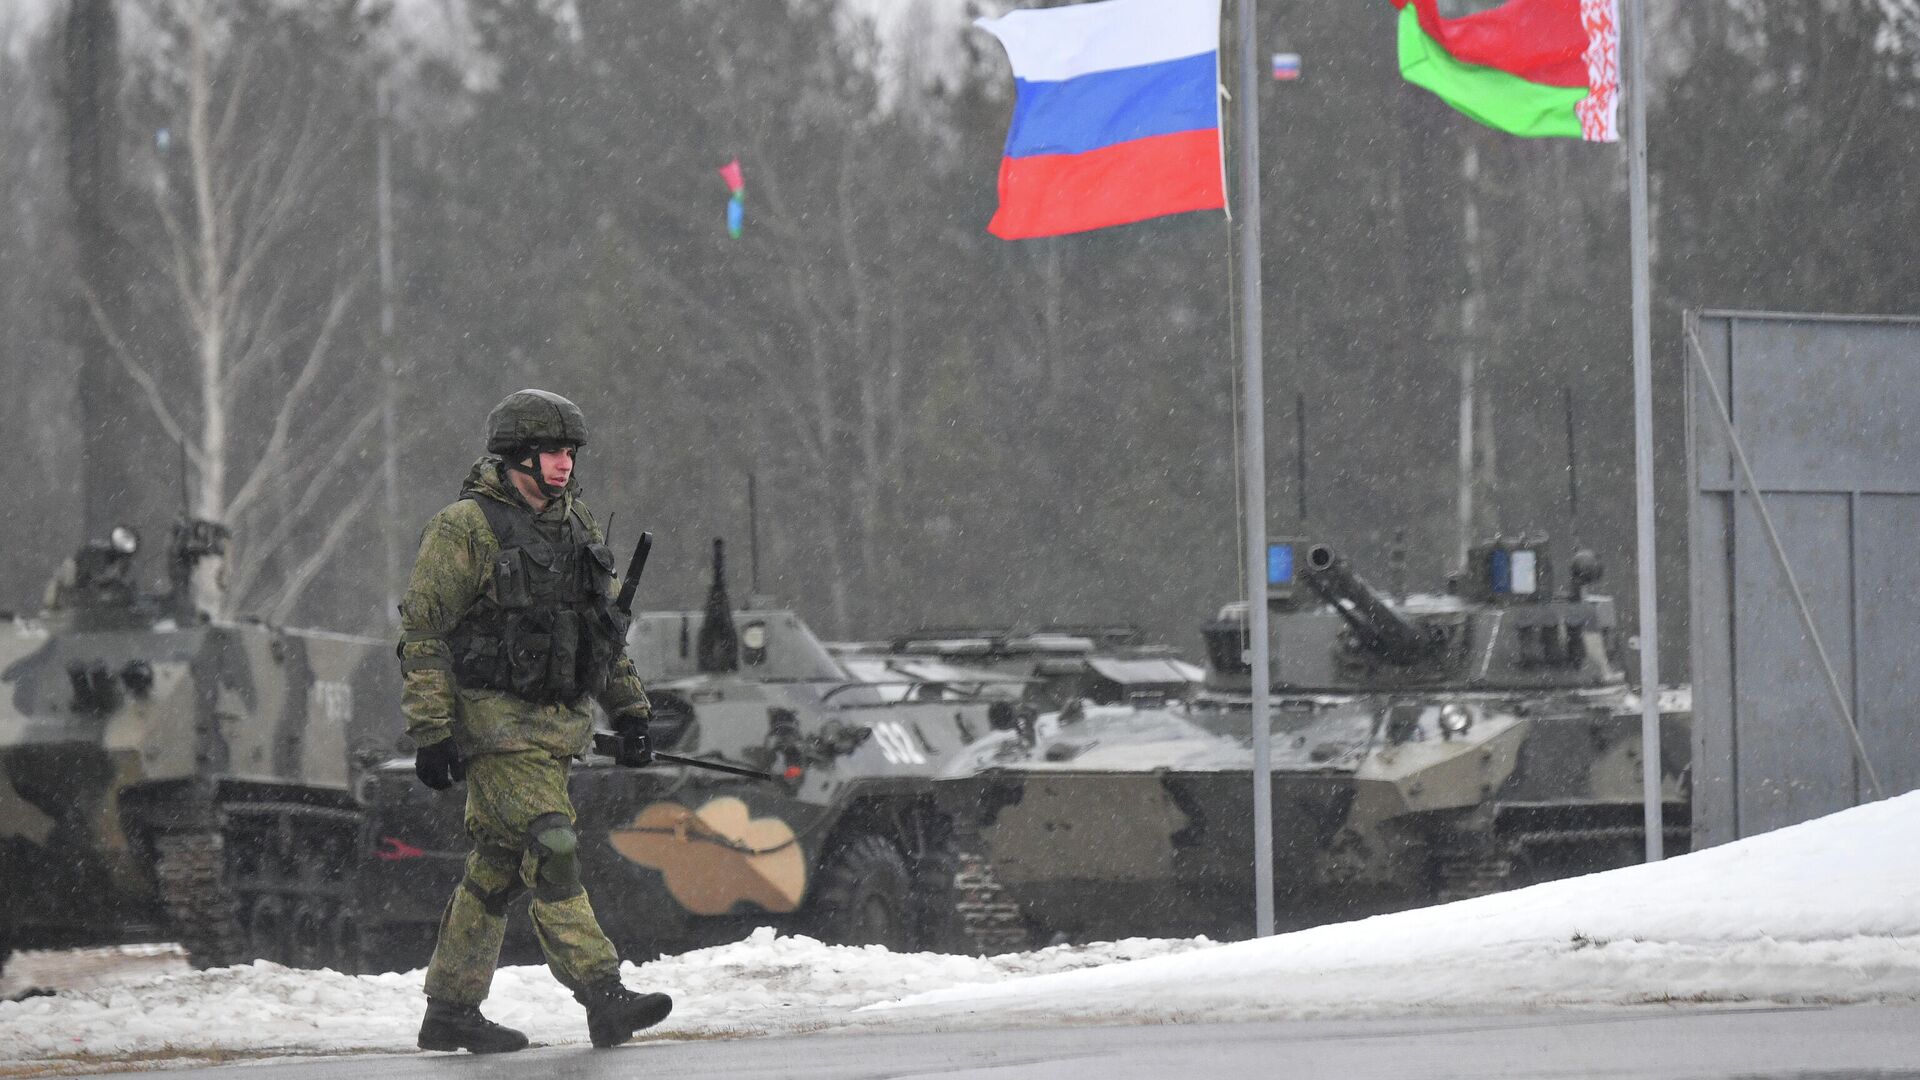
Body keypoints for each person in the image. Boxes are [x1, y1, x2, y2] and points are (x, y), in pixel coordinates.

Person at [398, 389, 670, 1053]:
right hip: (493, 727)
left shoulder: (578, 528)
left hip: (555, 730)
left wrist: (631, 711)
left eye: (571, 452)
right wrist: (432, 731)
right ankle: (603, 993)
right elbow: (424, 634)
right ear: (520, 454)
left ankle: (451, 1009)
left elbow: (602, 637)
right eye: (553, 451)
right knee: (553, 845)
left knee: (494, 869)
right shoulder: (466, 527)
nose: (565, 463)